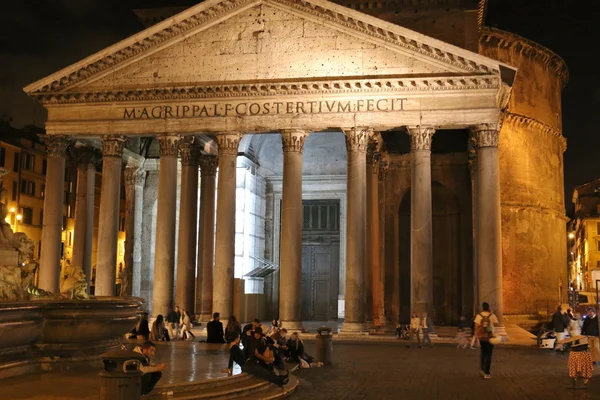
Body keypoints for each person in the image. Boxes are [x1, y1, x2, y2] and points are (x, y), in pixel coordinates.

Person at [221, 334, 289, 387]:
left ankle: (281, 378)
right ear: (236, 339)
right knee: (264, 373)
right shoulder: (234, 348)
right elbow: (237, 357)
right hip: (246, 365)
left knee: (265, 371)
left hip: (247, 364)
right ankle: (279, 381)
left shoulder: (232, 348)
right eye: (239, 337)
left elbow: (232, 358)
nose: (239, 339)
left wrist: (229, 368)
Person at [474, 302, 499, 379]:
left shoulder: (479, 316)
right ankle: (487, 373)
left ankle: (482, 369)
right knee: (489, 354)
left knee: (483, 353)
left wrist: (476, 335)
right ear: (488, 307)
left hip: (482, 337)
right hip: (490, 337)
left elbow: (476, 326)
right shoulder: (492, 315)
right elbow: (497, 324)